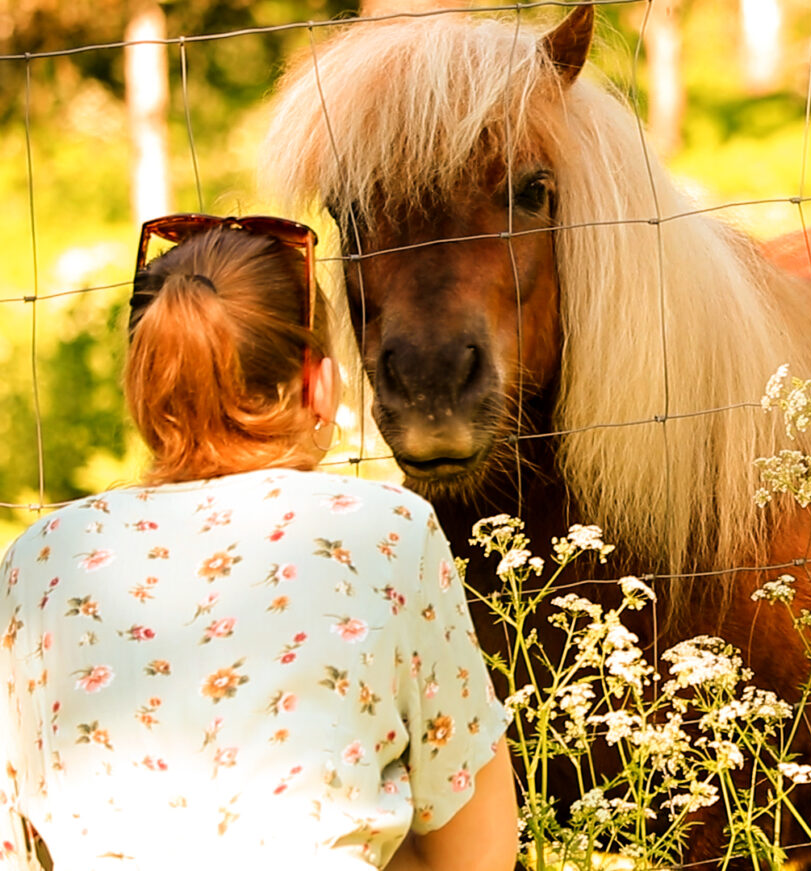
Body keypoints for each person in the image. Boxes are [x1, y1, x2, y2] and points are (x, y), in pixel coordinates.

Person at [0, 215, 517, 871]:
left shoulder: (40, 559)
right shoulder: (387, 530)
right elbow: (478, 850)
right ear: (320, 385)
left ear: (143, 388)